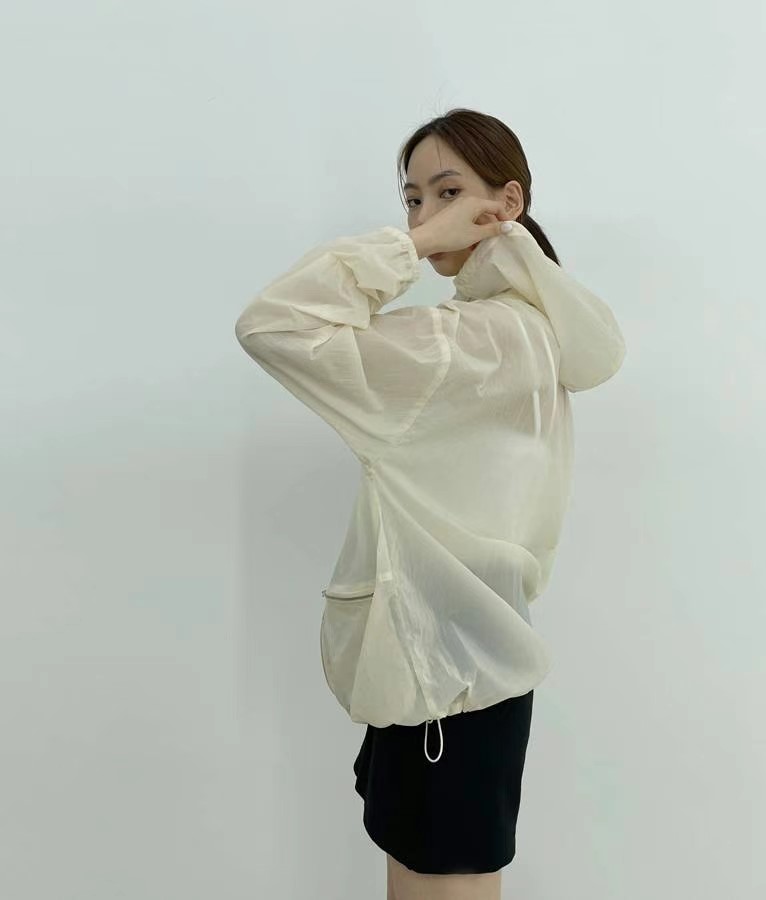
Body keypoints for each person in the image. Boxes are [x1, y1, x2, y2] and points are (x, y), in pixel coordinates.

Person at [234, 107, 626, 899]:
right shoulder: (530, 331)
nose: (423, 215)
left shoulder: (470, 343)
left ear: (506, 202)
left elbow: (273, 325)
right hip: (460, 670)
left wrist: (406, 248)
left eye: (448, 193)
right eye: (412, 200)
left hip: (440, 672)